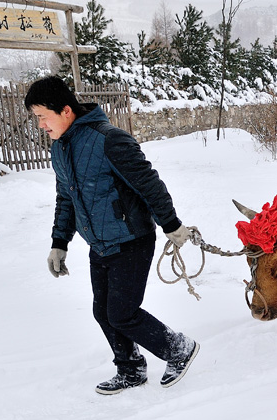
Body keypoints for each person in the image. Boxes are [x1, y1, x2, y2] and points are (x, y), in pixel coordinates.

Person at [25, 76, 199, 396]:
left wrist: (171, 224)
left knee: (122, 313)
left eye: (42, 116)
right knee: (103, 312)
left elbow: (149, 185)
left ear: (65, 111)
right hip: (100, 243)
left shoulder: (109, 139)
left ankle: (178, 348)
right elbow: (66, 199)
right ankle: (130, 368)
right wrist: (59, 243)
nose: (40, 125)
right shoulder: (60, 149)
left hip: (132, 239)